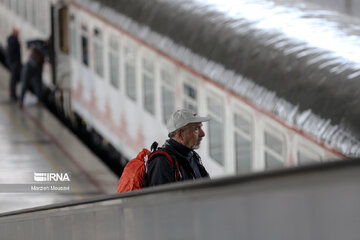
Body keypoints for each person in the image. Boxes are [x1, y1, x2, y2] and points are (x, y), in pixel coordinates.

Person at [147, 109, 211, 186]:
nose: (202, 134)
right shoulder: (161, 162)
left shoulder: (192, 156)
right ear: (180, 134)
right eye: (196, 129)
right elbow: (161, 197)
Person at [19, 38, 49, 108]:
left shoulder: (44, 46)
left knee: (38, 85)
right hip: (30, 66)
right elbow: (28, 43)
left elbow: (45, 56)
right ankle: (21, 100)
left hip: (36, 68)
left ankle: (39, 100)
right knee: (25, 84)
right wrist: (31, 49)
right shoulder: (40, 42)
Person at [6, 28, 22, 101]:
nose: (18, 33)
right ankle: (13, 95)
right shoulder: (13, 40)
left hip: (12, 62)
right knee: (13, 79)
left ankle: (13, 95)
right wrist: (16, 61)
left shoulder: (11, 39)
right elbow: (13, 52)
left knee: (14, 79)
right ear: (14, 32)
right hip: (14, 62)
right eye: (17, 32)